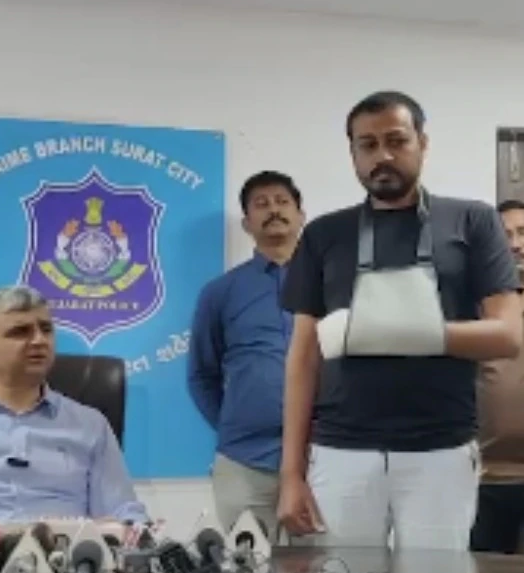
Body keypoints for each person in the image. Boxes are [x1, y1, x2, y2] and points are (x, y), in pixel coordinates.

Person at [277, 90, 522, 550]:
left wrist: (390, 332)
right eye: (367, 145)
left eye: (396, 140)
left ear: (422, 143)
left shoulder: (473, 221)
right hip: (341, 450)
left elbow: (508, 335)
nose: (383, 156)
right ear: (353, 153)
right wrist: (291, 474)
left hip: (441, 451)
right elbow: (303, 358)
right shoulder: (324, 234)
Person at [0, 285, 147, 524]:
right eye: (20, 332)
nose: (39, 340)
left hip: (63, 545)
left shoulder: (91, 425)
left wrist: (123, 528)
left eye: (46, 329)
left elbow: (124, 512)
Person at [187, 170, 305, 537]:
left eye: (282, 202)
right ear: (246, 223)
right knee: (247, 558)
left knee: (324, 559)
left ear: (301, 215)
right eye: (261, 204)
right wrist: (235, 422)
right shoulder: (220, 292)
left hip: (323, 458)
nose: (274, 210)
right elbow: (202, 375)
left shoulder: (332, 284)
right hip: (245, 460)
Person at [471, 199, 524, 554]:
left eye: (523, 233)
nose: (515, 244)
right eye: (505, 235)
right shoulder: (470, 307)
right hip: (482, 480)